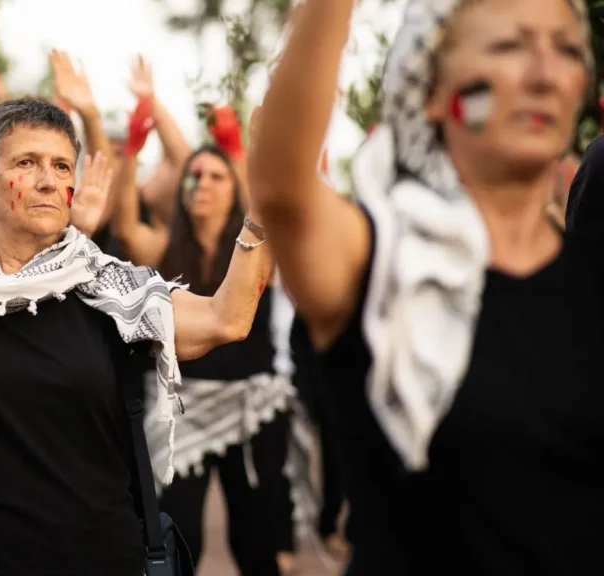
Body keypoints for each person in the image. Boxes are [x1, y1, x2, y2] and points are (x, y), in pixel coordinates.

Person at [0, 54, 270, 576]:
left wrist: (263, 203)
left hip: (99, 561)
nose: (46, 180)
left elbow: (227, 319)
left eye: (61, 166)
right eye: (25, 163)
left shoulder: (110, 289)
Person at [250, 0, 601, 575]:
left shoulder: (590, 276)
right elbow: (285, 195)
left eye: (566, 48)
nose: (544, 74)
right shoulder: (379, 261)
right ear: (433, 92)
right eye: (508, 46)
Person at [112, 92, 293, 572]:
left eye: (217, 176)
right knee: (179, 532)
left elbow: (263, 198)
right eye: (194, 176)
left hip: (249, 407)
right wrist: (131, 148)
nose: (203, 184)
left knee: (256, 539)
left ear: (234, 187)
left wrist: (238, 146)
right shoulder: (163, 245)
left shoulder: (260, 245)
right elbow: (126, 225)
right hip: (181, 407)